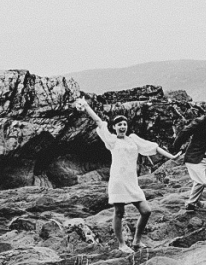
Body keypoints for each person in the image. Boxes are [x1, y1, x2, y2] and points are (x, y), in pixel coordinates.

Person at [76, 98, 178, 253]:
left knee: (146, 211)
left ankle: (137, 241)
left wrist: (172, 157)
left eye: (124, 124)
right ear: (115, 127)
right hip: (118, 180)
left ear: (127, 126)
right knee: (119, 212)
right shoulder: (112, 141)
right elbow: (98, 121)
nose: (122, 127)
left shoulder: (133, 140)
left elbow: (154, 147)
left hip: (132, 181)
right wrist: (86, 106)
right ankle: (122, 244)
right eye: (119, 125)